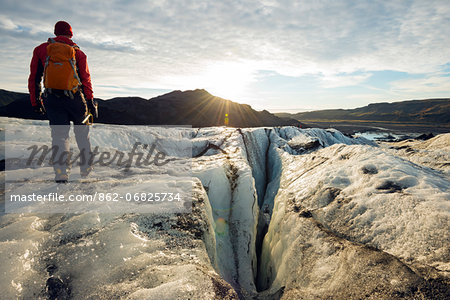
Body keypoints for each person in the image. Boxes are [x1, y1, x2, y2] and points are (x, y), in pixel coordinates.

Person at [28, 21, 98, 183]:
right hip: (75, 99)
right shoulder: (78, 53)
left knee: (59, 136)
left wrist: (35, 101)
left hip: (52, 99)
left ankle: (61, 173)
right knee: (82, 134)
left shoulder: (41, 50)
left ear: (55, 32)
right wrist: (90, 102)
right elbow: (86, 80)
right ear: (70, 34)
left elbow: (34, 78)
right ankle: (86, 168)